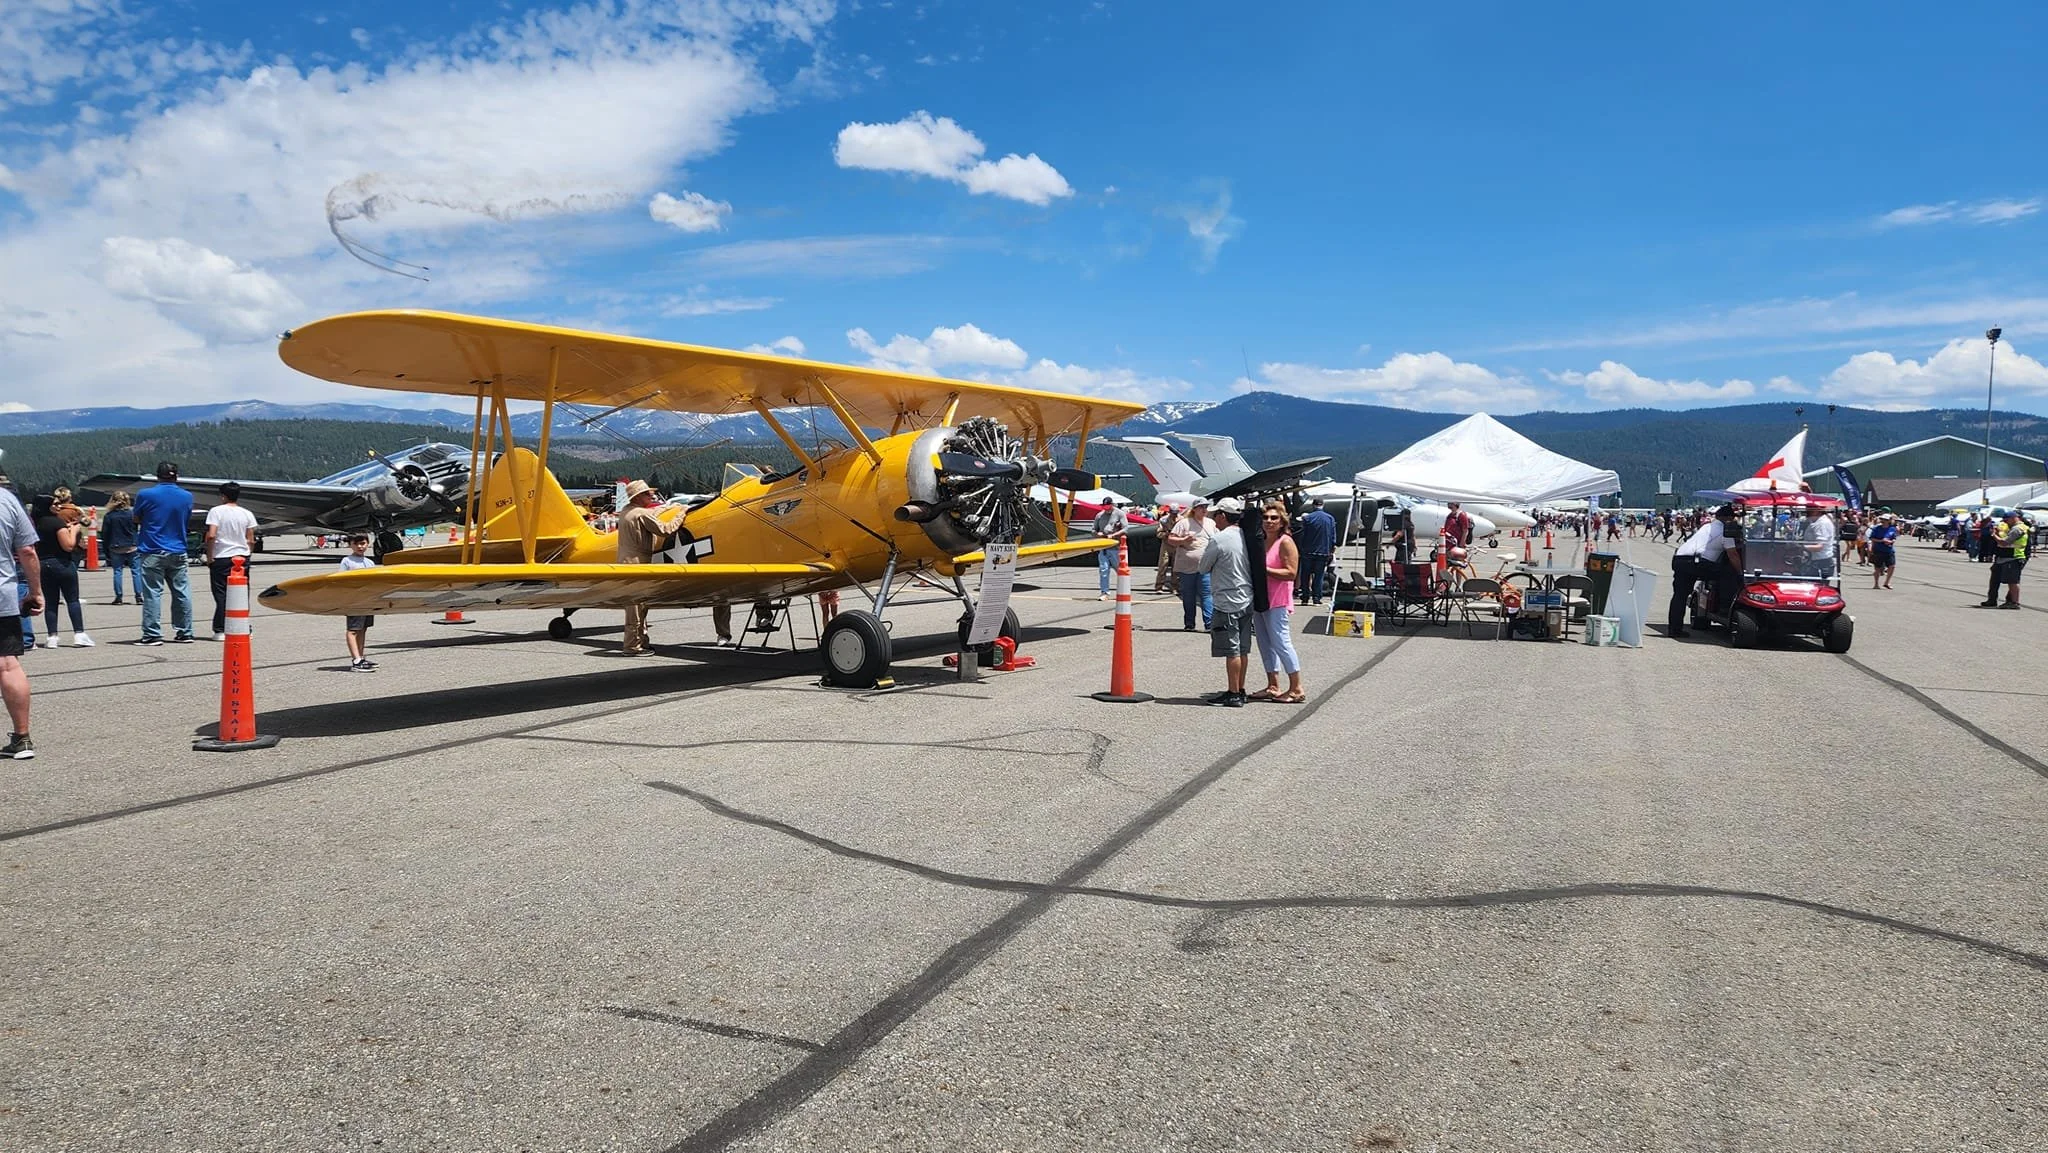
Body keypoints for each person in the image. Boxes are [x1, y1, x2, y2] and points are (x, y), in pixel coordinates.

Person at [1198, 498, 1253, 707]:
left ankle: (1233, 693)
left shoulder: (1219, 539)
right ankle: (1240, 688)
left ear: (1222, 515)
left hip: (1227, 600)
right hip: (1247, 597)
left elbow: (1203, 567)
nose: (1214, 519)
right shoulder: (1246, 536)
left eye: (1215, 515)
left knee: (1232, 650)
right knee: (1243, 648)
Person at [133, 461, 195, 646]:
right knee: (182, 592)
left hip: (153, 549)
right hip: (178, 549)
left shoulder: (145, 494)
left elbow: (136, 517)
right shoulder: (186, 496)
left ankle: (152, 633)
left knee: (153, 593)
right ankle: (185, 631)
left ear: (157, 476)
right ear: (176, 476)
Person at [1250, 501, 1304, 703]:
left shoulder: (1285, 542)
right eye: (1265, 518)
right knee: (1264, 643)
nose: (1269, 521)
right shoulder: (1261, 540)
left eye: (1274, 518)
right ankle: (1273, 684)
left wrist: (1264, 570)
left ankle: (1296, 687)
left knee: (1281, 642)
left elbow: (1291, 573)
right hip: (1261, 598)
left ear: (1282, 521)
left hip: (1278, 600)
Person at [0, 485, 40, 758]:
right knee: (7, 664)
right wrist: (35, 591)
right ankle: (22, 737)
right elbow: (27, 550)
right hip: (2, 594)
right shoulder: (7, 500)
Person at [1667, 504, 1741, 638]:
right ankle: (1724, 604)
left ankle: (1674, 629)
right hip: (1700, 562)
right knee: (1729, 573)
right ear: (1729, 518)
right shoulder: (1726, 531)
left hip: (1680, 558)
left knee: (1679, 596)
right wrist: (1741, 574)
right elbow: (1733, 555)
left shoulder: (1706, 526)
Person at [615, 478, 669, 655]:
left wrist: (663, 509)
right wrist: (680, 515)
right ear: (638, 497)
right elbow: (665, 530)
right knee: (636, 608)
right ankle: (631, 646)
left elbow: (650, 514)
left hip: (626, 563)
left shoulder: (626, 511)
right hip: (637, 564)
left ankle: (642, 642)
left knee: (639, 606)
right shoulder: (641, 514)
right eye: (647, 493)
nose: (651, 494)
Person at [32, 494, 91, 647]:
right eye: (55, 504)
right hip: (62, 563)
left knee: (51, 602)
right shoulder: (56, 523)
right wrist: (75, 530)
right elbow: (68, 545)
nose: (58, 506)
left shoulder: (36, 523)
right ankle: (79, 634)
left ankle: (52, 637)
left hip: (43, 564)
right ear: (48, 506)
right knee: (72, 599)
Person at [204, 482, 259, 639]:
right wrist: (248, 554)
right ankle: (243, 626)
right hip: (241, 556)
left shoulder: (216, 511)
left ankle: (221, 629)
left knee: (221, 594)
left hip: (222, 556)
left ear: (223, 496)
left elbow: (212, 535)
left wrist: (209, 556)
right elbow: (251, 539)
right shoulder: (246, 513)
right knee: (241, 593)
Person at [1166, 499, 1215, 631]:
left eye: (1205, 507)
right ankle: (1189, 623)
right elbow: (1171, 539)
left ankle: (1209, 623)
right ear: (1194, 509)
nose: (1204, 509)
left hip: (1205, 565)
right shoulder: (1183, 523)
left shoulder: (1211, 523)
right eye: (1200, 507)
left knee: (1206, 593)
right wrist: (1183, 540)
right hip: (1187, 566)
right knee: (1188, 595)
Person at [338, 534, 378, 671]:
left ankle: (361, 657)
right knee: (353, 630)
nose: (360, 546)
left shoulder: (369, 562)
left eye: (363, 543)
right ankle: (356, 660)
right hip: (354, 600)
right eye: (357, 544)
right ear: (351, 545)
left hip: (367, 600)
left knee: (363, 629)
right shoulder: (347, 561)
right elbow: (341, 581)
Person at [1981, 510, 2029, 609]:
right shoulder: (2012, 528)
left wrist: (1994, 535)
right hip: (2004, 557)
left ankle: (2014, 602)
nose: (2005, 522)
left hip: (2013, 557)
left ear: (2013, 518)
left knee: (2012, 581)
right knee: (1996, 579)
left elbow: (2004, 542)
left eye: (2007, 520)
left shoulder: (2017, 529)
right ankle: (1993, 600)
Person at [1293, 498, 1336, 605]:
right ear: (1323, 505)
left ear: (1313, 505)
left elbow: (1302, 535)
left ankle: (1305, 597)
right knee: (1319, 575)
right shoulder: (1330, 518)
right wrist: (1331, 549)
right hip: (1323, 551)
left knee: (1305, 575)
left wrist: (1301, 548)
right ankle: (1317, 598)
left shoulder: (1308, 518)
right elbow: (1333, 537)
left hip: (1308, 550)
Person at [101, 491, 140, 604]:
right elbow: (135, 529)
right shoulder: (132, 514)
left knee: (117, 572)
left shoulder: (109, 516)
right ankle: (138, 596)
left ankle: (119, 597)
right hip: (132, 545)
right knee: (136, 571)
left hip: (115, 546)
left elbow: (105, 534)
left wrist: (106, 550)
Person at [1091, 500, 1130, 600]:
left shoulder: (1120, 513)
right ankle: (1104, 592)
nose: (1106, 509)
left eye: (1108, 506)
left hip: (1116, 547)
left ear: (1112, 505)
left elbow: (1125, 528)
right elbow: (1093, 530)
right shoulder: (1099, 515)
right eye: (1104, 507)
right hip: (1103, 547)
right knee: (1103, 570)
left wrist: (1114, 535)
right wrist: (1097, 533)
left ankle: (1124, 590)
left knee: (1120, 570)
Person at [1803, 503, 1838, 579]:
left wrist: (1802, 547)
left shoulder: (1822, 523)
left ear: (1818, 510)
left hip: (1822, 563)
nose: (1807, 510)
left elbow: (1819, 546)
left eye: (1810, 508)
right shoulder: (1815, 522)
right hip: (1813, 560)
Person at [1151, 505, 1180, 593]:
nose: (1174, 515)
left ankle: (1175, 587)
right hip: (1166, 544)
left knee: (1176, 567)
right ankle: (1159, 586)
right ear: (1169, 512)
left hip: (1177, 544)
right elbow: (1158, 534)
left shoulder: (1182, 520)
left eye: (1175, 513)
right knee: (1163, 565)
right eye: (1172, 513)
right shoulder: (1163, 520)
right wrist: (1167, 534)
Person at [1867, 513, 1898, 589]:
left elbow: (1894, 538)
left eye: (1885, 520)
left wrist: (1891, 541)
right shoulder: (1876, 528)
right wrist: (1881, 540)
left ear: (1889, 521)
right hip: (1878, 550)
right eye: (1882, 519)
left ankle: (1887, 582)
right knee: (1877, 568)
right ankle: (1876, 584)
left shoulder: (1892, 528)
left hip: (1889, 550)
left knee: (1892, 566)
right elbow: (1871, 538)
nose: (1883, 521)